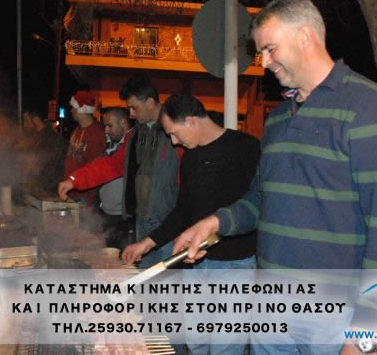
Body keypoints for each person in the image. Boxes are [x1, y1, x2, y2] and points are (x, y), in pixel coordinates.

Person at [172, 0, 377, 355]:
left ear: (305, 36)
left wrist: (365, 336)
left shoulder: (371, 107)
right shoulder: (278, 119)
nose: (265, 62)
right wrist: (215, 223)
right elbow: (260, 200)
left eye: (270, 49)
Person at [122, 94, 260, 355]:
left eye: (174, 133)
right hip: (195, 263)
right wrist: (147, 243)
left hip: (235, 265)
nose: (174, 142)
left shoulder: (246, 148)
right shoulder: (190, 158)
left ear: (191, 120)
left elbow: (258, 205)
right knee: (196, 342)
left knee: (224, 347)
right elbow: (183, 211)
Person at [58, 75, 182, 268]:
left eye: (134, 107)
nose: (131, 113)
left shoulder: (176, 131)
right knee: (144, 275)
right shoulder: (135, 135)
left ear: (150, 102)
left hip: (168, 222)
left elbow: (188, 177)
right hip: (142, 220)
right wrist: (74, 180)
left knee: (165, 277)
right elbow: (111, 164)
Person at [97, 107, 134, 250]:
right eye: (105, 126)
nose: (106, 130)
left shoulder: (132, 144)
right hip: (107, 211)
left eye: (109, 126)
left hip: (123, 216)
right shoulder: (109, 141)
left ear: (123, 123)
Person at [63, 91, 106, 207]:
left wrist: (90, 199)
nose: (71, 111)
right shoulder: (76, 130)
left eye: (73, 107)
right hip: (71, 193)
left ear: (82, 109)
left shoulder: (98, 134)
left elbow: (97, 169)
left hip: (85, 199)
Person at [20, 110, 66, 197]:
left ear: (36, 120)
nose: (24, 125)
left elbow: (52, 168)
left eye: (26, 121)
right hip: (40, 190)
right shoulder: (38, 138)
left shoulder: (52, 139)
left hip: (49, 192)